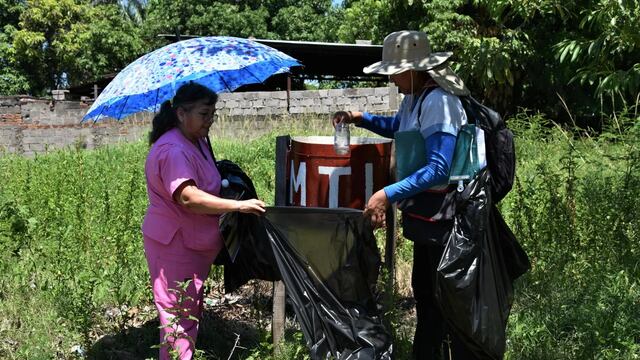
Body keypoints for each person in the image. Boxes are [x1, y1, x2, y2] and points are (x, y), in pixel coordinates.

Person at [332, 30, 477, 359]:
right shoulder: (416, 98)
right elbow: (398, 127)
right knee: (427, 296)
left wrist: (386, 193)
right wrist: (360, 118)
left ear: (413, 70)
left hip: (447, 219)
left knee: (440, 301)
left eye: (395, 73)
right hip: (428, 217)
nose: (393, 80)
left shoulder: (439, 101)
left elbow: (439, 168)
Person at [142, 82, 266, 359]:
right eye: (203, 114)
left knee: (187, 311)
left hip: (192, 245)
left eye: (213, 114)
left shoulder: (195, 140)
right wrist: (239, 205)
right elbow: (188, 198)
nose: (209, 121)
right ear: (181, 114)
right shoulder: (174, 150)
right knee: (177, 317)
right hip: (175, 245)